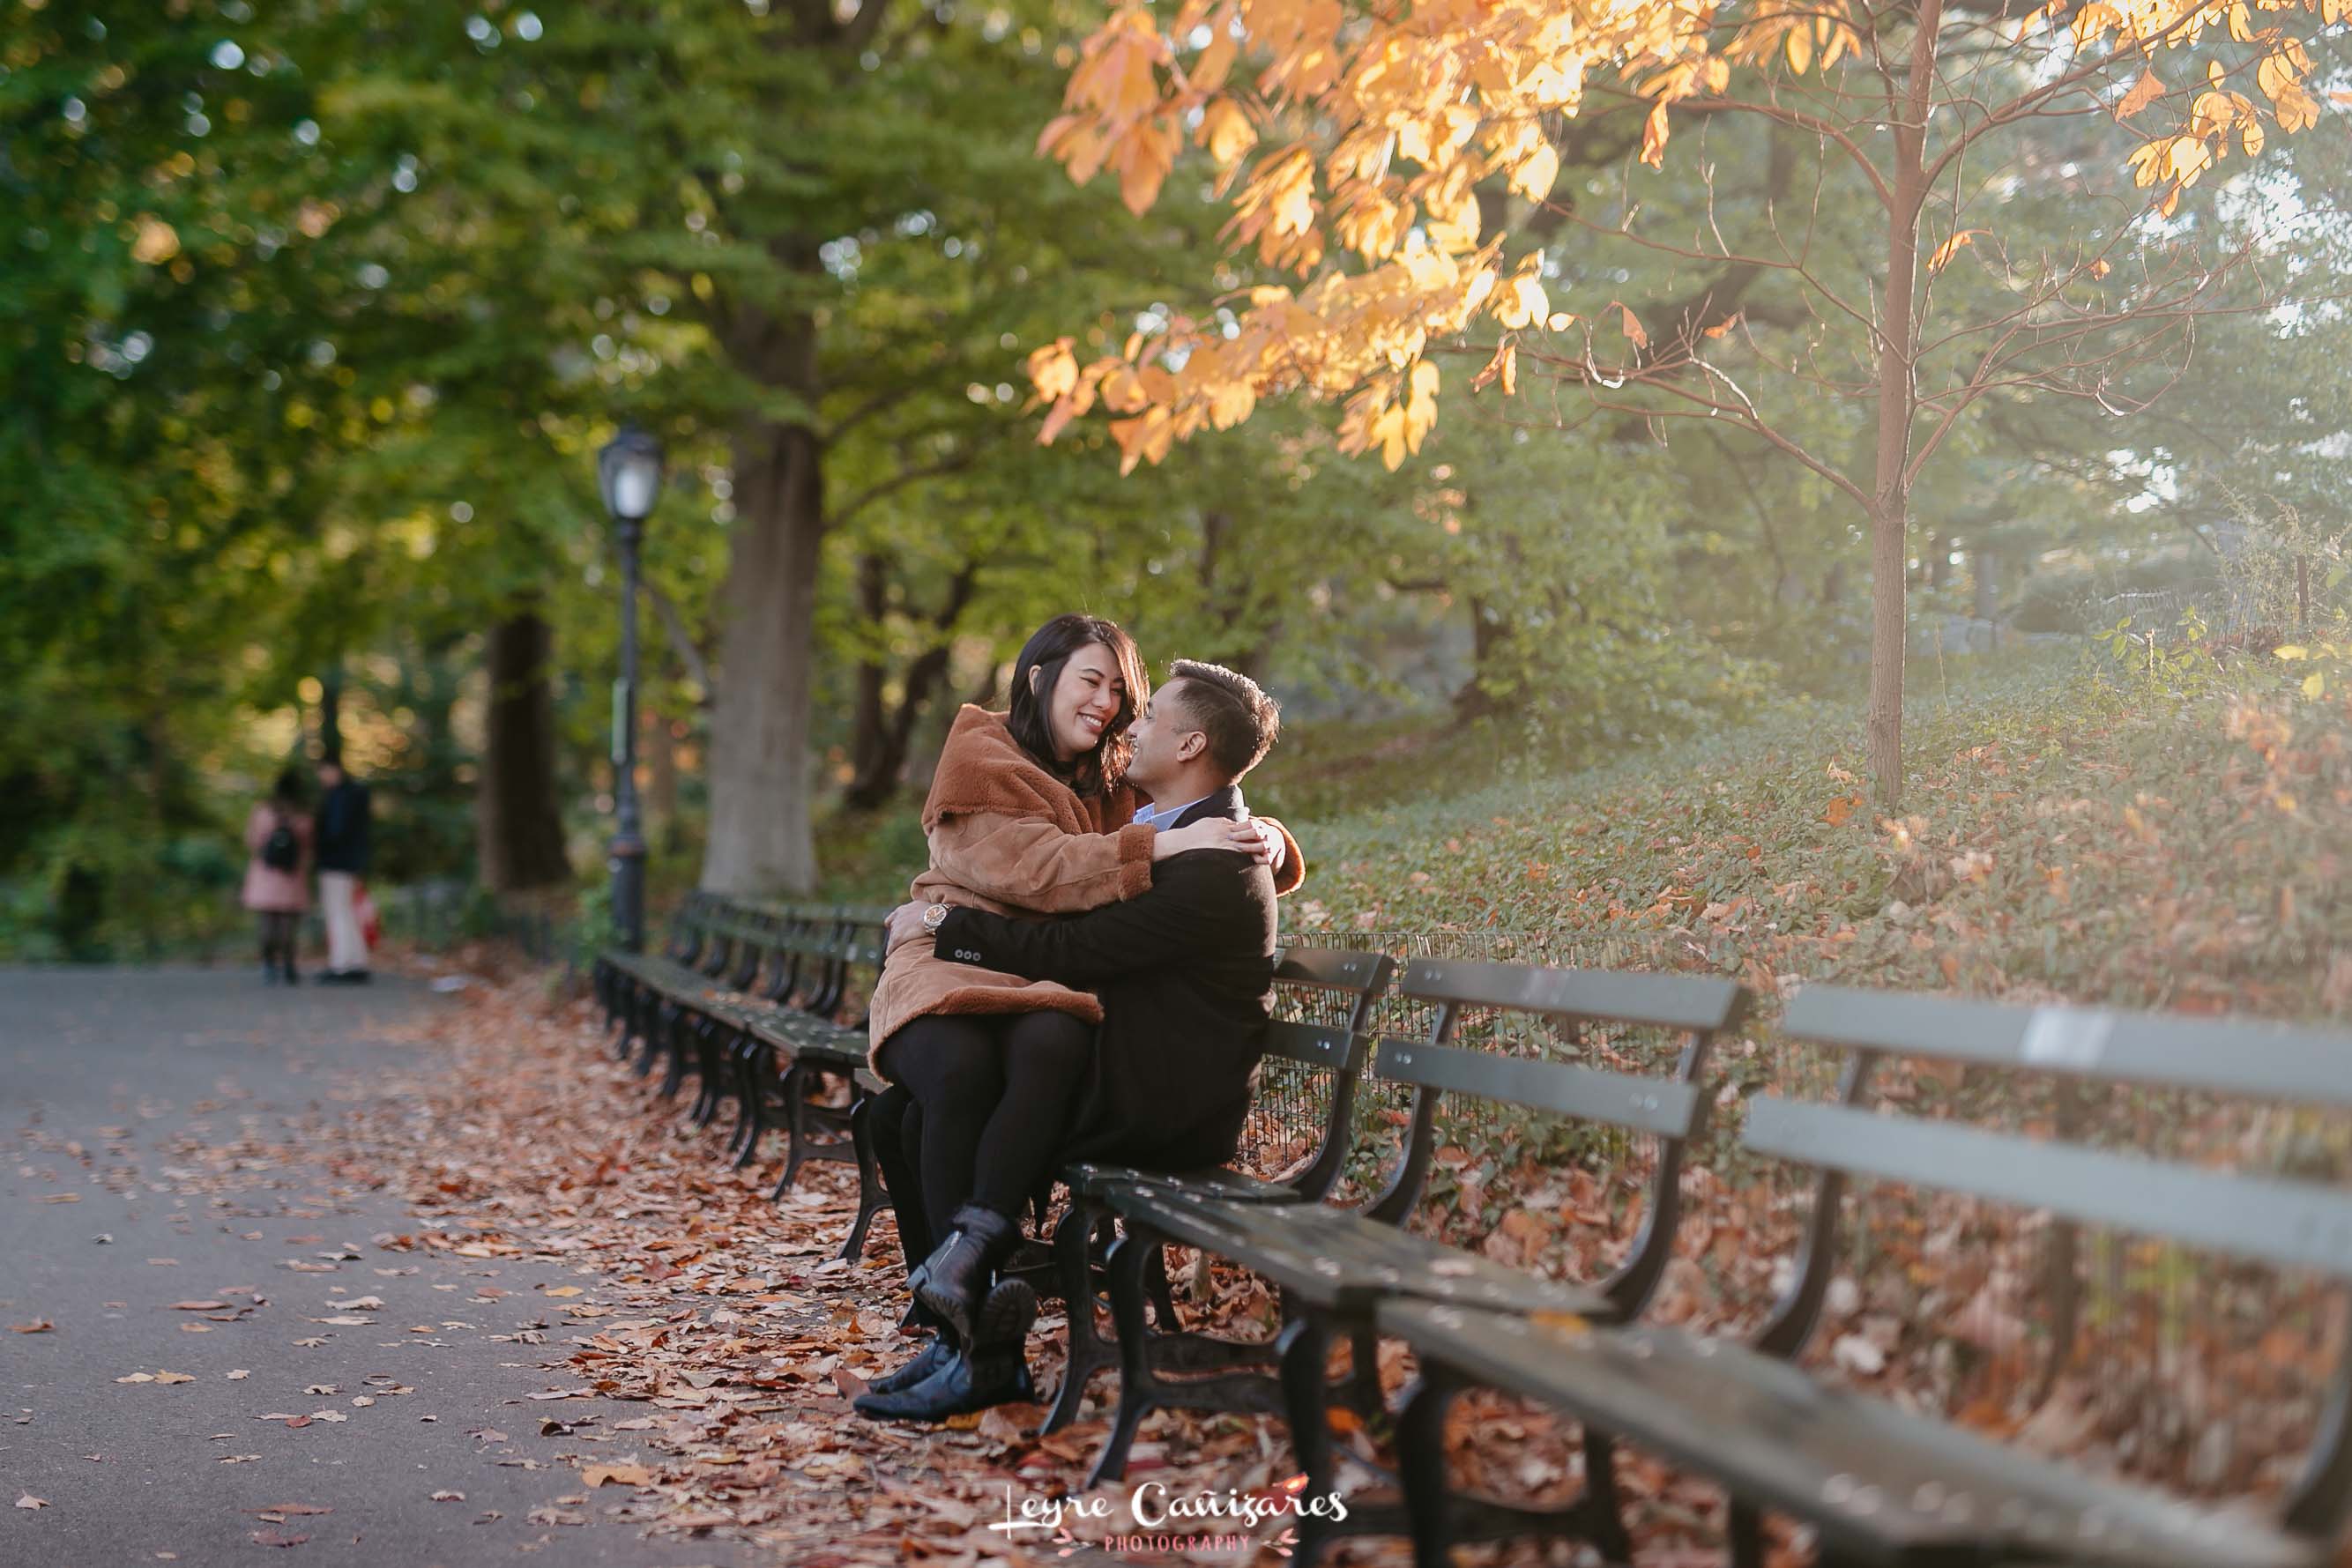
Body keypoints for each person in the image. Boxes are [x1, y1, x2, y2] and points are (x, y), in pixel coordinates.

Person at [852, 616, 1301, 1421]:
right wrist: (941, 926)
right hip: (955, 972)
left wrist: (1266, 834)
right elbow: (1047, 869)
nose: (1121, 713)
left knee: (995, 1066)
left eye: (1134, 699)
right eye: (1093, 683)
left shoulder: (1149, 808)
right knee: (941, 1088)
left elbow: (1140, 889)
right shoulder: (987, 761)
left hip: (1131, 1068)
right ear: (1038, 677)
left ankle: (969, 1311)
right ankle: (966, 1330)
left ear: (1186, 741)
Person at [240, 768, 313, 985]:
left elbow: (252, 841)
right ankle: (289, 965)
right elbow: (309, 846)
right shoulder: (302, 814)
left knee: (267, 922)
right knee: (288, 923)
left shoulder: (263, 811)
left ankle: (269, 965)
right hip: (292, 874)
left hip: (265, 872)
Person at [312, 759, 373, 984]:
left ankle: (342, 964)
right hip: (348, 863)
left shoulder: (339, 797)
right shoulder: (355, 795)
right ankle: (355, 961)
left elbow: (335, 832)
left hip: (335, 863)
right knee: (346, 912)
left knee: (338, 912)